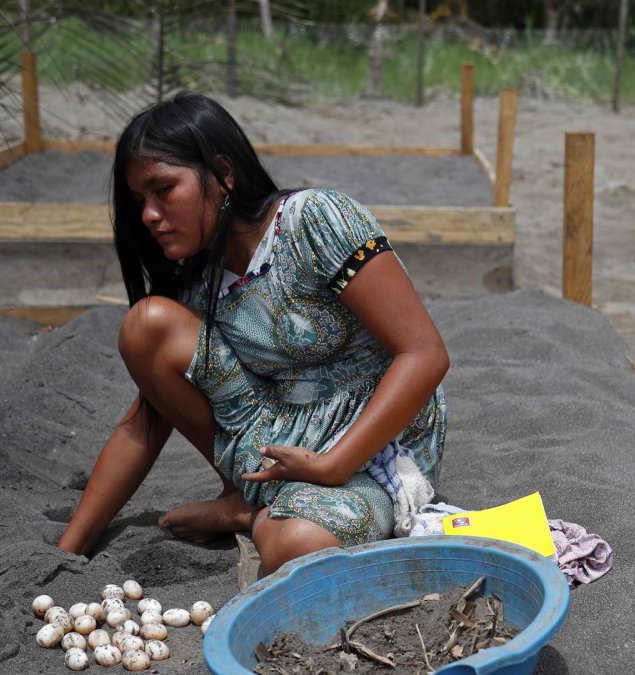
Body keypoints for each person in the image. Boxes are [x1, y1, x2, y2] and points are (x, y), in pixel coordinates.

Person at [57, 92, 448, 575]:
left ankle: (256, 510)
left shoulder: (317, 220)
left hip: (373, 446)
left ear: (223, 174)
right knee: (147, 326)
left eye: (163, 190)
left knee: (296, 545)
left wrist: (333, 465)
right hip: (277, 442)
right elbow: (145, 423)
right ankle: (250, 497)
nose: (149, 216)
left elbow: (424, 354)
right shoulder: (199, 282)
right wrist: (67, 551)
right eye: (139, 201)